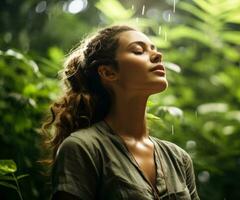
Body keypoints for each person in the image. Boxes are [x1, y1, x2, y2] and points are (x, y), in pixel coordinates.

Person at [42, 25, 200, 200]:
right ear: (108, 72)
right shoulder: (83, 148)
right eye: (139, 51)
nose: (158, 55)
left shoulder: (178, 158)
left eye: (154, 49)